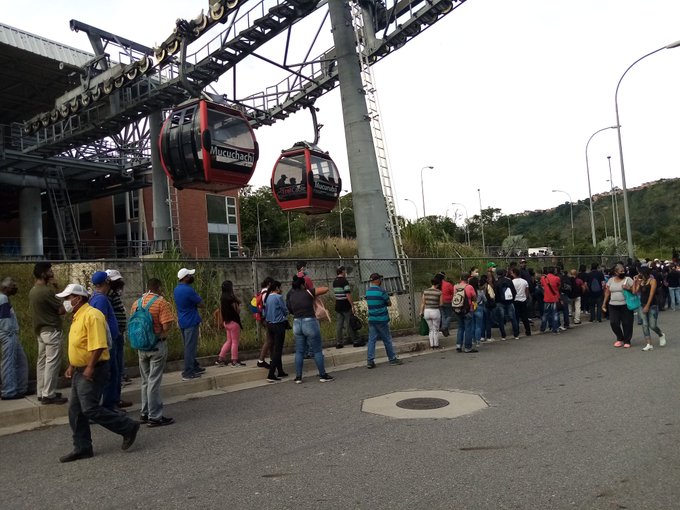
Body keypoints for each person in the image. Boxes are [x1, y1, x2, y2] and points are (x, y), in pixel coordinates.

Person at [56, 283, 140, 462]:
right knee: (75, 411)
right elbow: (80, 345)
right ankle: (82, 447)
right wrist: (72, 365)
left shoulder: (92, 315)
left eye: (67, 298)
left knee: (89, 408)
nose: (65, 302)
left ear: (77, 299)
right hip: (80, 370)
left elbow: (98, 344)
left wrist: (89, 367)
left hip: (94, 369)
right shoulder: (77, 316)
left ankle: (127, 427)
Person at [130, 278, 175, 427]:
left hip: (141, 347)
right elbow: (167, 325)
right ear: (159, 287)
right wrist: (161, 334)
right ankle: (155, 416)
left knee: (145, 381)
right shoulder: (161, 302)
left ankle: (144, 412)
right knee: (154, 382)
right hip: (156, 346)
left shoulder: (137, 303)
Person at [28, 262, 67, 405]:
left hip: (40, 331)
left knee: (42, 363)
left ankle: (42, 392)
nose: (52, 272)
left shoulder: (33, 290)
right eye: (49, 270)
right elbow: (61, 310)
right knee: (52, 363)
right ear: (43, 273)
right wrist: (57, 290)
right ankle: (49, 394)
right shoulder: (47, 291)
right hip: (52, 331)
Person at [286, 275, 334, 383]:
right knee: (317, 351)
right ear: (303, 284)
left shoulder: (291, 296)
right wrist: (310, 289)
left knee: (299, 352)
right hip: (310, 322)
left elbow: (290, 309)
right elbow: (325, 289)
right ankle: (323, 375)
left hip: (297, 323)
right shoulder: (308, 292)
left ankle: (298, 377)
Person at [89, 271, 121, 411]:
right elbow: (102, 321)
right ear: (107, 282)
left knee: (111, 373)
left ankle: (110, 403)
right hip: (108, 343)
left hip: (107, 342)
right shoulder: (101, 299)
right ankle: (109, 405)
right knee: (111, 373)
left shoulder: (95, 297)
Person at [105, 268, 131, 409]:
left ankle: (117, 398)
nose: (120, 282)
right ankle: (113, 401)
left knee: (118, 367)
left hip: (118, 334)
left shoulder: (114, 294)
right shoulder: (107, 296)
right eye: (116, 280)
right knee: (114, 369)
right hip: (114, 336)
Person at [365, 273, 403, 368]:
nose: (381, 280)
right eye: (380, 279)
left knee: (372, 340)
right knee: (387, 339)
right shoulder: (382, 291)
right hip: (382, 319)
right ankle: (392, 359)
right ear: (377, 280)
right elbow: (389, 303)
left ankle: (370, 361)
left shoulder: (368, 291)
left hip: (372, 319)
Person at [174, 268, 205, 380]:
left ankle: (194, 366)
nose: (191, 277)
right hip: (191, 321)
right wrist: (195, 305)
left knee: (188, 345)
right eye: (190, 275)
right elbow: (201, 303)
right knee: (190, 347)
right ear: (185, 278)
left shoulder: (176, 289)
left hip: (182, 320)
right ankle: (188, 372)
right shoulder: (188, 290)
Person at [0, 277, 28, 400]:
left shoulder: (4, 298)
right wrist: (10, 333)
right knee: (9, 363)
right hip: (8, 334)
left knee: (21, 361)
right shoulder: (3, 299)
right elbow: (4, 320)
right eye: (12, 285)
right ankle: (9, 391)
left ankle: (20, 388)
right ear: (5, 288)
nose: (15, 287)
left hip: (10, 334)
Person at [632, 267, 667, 351]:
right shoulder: (641, 281)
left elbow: (651, 294)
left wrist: (647, 305)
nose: (639, 274)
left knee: (652, 325)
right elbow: (634, 292)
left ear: (644, 273)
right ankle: (649, 344)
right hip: (641, 305)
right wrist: (635, 281)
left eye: (640, 273)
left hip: (652, 305)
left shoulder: (652, 281)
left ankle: (661, 334)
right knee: (644, 324)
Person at [602, 263, 635, 348]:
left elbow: (635, 291)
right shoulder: (611, 280)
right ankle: (620, 338)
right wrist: (604, 303)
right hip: (613, 305)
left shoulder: (628, 279)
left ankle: (627, 340)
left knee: (627, 323)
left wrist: (628, 288)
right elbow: (607, 292)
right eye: (621, 271)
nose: (623, 272)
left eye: (624, 271)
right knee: (614, 322)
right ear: (616, 272)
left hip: (625, 305)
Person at [264, 280, 289, 382]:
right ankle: (271, 373)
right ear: (277, 288)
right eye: (280, 287)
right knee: (277, 350)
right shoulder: (278, 297)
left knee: (275, 348)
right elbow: (284, 310)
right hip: (278, 324)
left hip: (269, 324)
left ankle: (280, 370)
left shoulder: (268, 297)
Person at [215, 280, 245, 366]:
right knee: (235, 342)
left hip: (226, 322)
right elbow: (237, 310)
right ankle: (234, 360)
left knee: (229, 341)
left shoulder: (222, 297)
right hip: (234, 322)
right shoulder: (231, 298)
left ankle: (220, 358)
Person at [333, 266, 360, 348]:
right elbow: (348, 294)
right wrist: (352, 305)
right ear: (342, 272)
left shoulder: (335, 281)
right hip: (345, 305)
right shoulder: (344, 281)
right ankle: (355, 340)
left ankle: (339, 342)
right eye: (345, 271)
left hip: (338, 305)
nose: (346, 273)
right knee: (350, 323)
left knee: (339, 325)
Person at [454, 273, 477, 352]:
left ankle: (458, 345)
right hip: (467, 310)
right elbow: (474, 297)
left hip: (458, 309)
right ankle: (468, 347)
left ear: (461, 278)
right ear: (468, 279)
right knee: (468, 329)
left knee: (460, 327)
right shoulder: (469, 287)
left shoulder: (455, 287)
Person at [494, 269, 519, 340]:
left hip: (500, 302)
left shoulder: (496, 282)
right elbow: (514, 292)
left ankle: (503, 335)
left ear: (497, 275)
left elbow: (495, 293)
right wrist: (512, 299)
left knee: (501, 319)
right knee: (513, 318)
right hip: (509, 302)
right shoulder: (509, 281)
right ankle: (516, 334)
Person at [255, 276, 274, 369]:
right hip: (267, 319)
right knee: (269, 340)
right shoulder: (266, 293)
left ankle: (272, 359)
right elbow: (267, 307)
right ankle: (261, 360)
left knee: (270, 339)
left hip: (264, 319)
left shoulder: (261, 292)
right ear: (269, 284)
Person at [420, 277, 443, 349]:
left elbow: (423, 303)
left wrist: (421, 312)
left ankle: (431, 344)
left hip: (427, 311)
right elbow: (441, 303)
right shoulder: (439, 292)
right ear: (438, 284)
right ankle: (436, 345)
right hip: (435, 311)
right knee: (436, 329)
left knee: (430, 329)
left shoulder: (425, 291)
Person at [510, 267, 532, 337]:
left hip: (515, 300)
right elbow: (527, 291)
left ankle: (516, 332)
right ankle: (528, 331)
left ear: (514, 273)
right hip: (523, 300)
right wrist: (525, 297)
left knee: (516, 317)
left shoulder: (512, 282)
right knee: (524, 316)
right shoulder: (524, 281)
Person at [540, 267, 561, 334]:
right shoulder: (557, 278)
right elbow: (558, 286)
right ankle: (555, 329)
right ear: (554, 271)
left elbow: (542, 286)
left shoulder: (543, 278)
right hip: (555, 297)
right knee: (555, 314)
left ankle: (542, 328)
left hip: (546, 298)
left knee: (545, 314)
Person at [436, 271, 454, 337]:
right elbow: (453, 292)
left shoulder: (437, 285)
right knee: (449, 315)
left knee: (443, 316)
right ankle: (444, 327)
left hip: (439, 302)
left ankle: (446, 331)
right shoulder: (448, 284)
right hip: (448, 301)